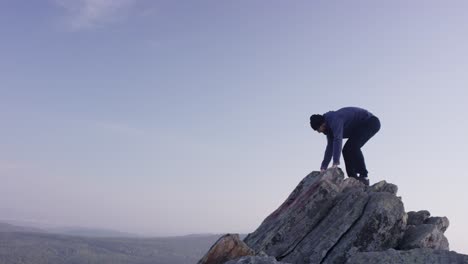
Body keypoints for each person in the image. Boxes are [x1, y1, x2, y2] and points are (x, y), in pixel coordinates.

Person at [309, 107, 381, 186]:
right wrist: (323, 167)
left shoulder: (335, 119)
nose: (319, 132)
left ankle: (364, 176)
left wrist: (335, 162)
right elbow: (330, 148)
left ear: (323, 124)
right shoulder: (329, 130)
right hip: (358, 128)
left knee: (353, 147)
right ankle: (353, 178)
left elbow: (338, 140)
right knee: (346, 150)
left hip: (370, 122)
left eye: (318, 129)